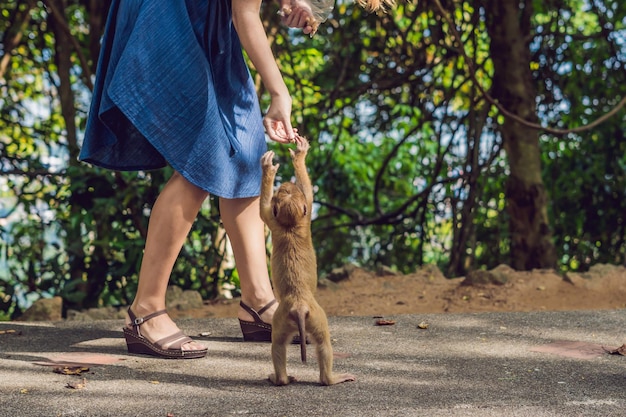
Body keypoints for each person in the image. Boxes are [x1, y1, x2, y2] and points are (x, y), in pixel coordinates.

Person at [79, 0, 314, 359]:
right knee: (204, 154)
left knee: (247, 147)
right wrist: (280, 93)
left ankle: (258, 301)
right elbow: (245, 13)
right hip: (169, 16)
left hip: (208, 21)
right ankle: (146, 310)